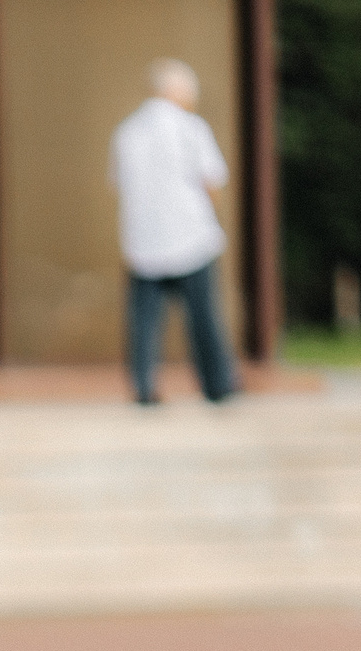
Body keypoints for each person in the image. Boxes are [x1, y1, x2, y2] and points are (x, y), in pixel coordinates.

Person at [111, 59, 236, 404]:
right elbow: (213, 181)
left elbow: (120, 184)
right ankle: (217, 384)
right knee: (203, 317)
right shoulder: (190, 128)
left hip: (143, 241)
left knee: (144, 322)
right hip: (190, 236)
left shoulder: (128, 131)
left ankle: (143, 386)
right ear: (177, 91)